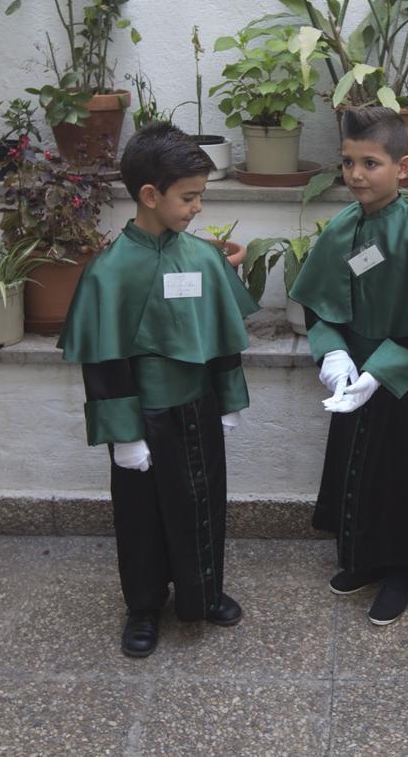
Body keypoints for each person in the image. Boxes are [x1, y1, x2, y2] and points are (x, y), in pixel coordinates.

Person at [58, 120, 259, 658]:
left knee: (204, 503)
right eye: (189, 197)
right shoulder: (108, 272)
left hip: (198, 407)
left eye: (200, 197)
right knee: (141, 516)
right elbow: (102, 360)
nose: (197, 208)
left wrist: (228, 399)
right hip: (143, 416)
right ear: (150, 195)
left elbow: (221, 336)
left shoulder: (202, 259)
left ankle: (205, 590)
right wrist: (124, 435)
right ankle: (144, 605)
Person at [288, 105, 408, 625]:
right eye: (348, 163)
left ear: (402, 166)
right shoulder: (345, 227)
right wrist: (335, 354)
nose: (356, 175)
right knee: (357, 466)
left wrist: (377, 374)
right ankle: (364, 557)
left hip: (403, 376)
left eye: (370, 163)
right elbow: (320, 305)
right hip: (355, 373)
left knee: (403, 473)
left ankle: (401, 571)